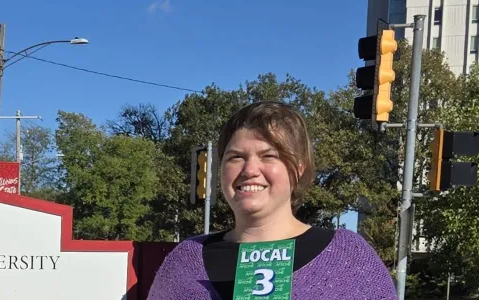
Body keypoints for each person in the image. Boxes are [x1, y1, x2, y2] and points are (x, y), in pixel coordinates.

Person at [147, 101, 397, 299]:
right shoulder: (184, 262)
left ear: (298, 168)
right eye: (235, 157)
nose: (250, 169)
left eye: (269, 156)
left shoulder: (348, 260)